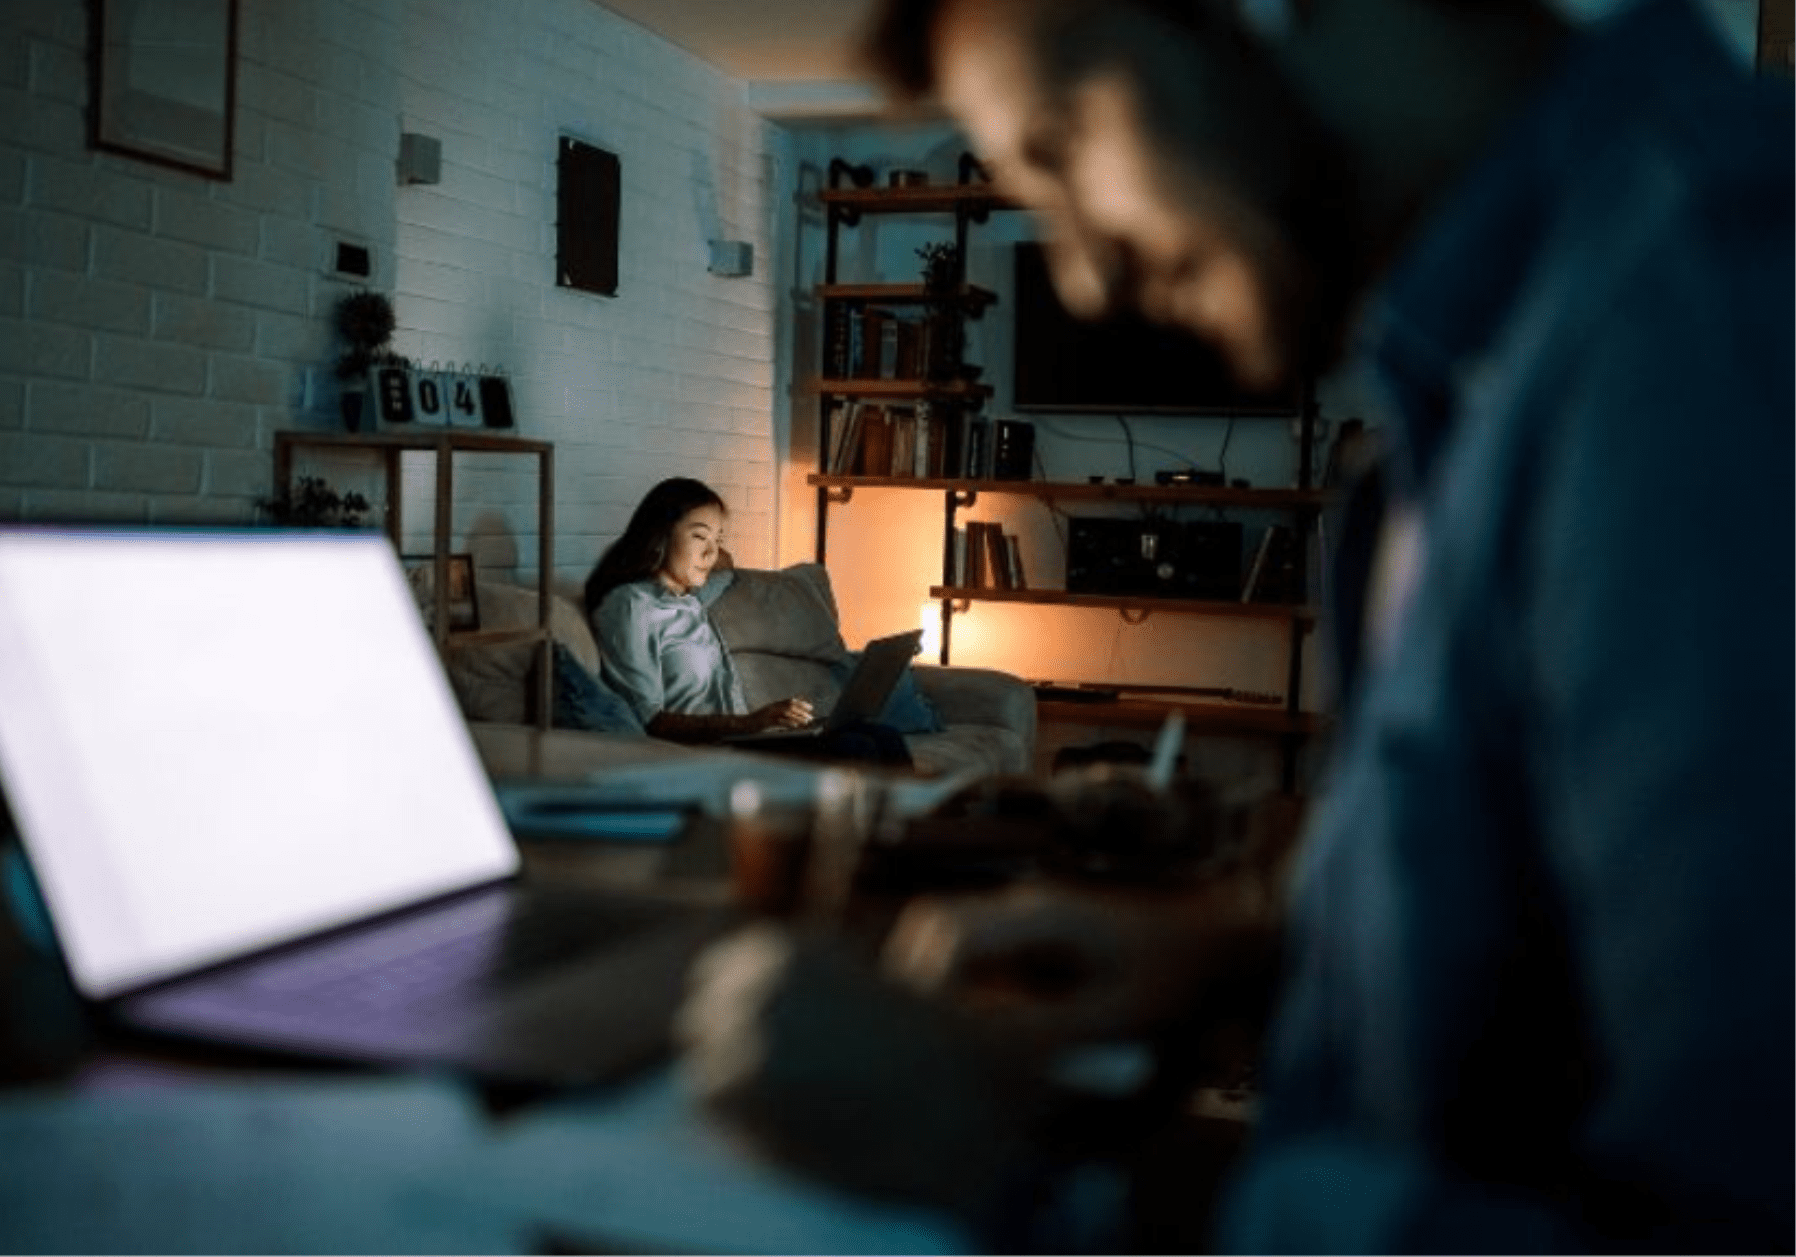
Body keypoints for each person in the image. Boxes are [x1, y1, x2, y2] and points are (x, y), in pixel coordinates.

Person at [674, 0, 1796, 1251]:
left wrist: (1010, 1162)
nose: (1090, 279)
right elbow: (1556, 999)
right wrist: (1246, 966)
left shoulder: (1707, 323)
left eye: (1059, 142)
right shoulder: (1509, 361)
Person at [585, 477, 913, 763]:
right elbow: (650, 721)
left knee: (880, 735)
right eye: (699, 536)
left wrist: (708, 547)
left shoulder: (691, 597)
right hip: (711, 750)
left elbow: (724, 564)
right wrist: (751, 723)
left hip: (746, 739)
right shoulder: (630, 607)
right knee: (857, 748)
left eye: (718, 539)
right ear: (659, 533)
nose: (710, 553)